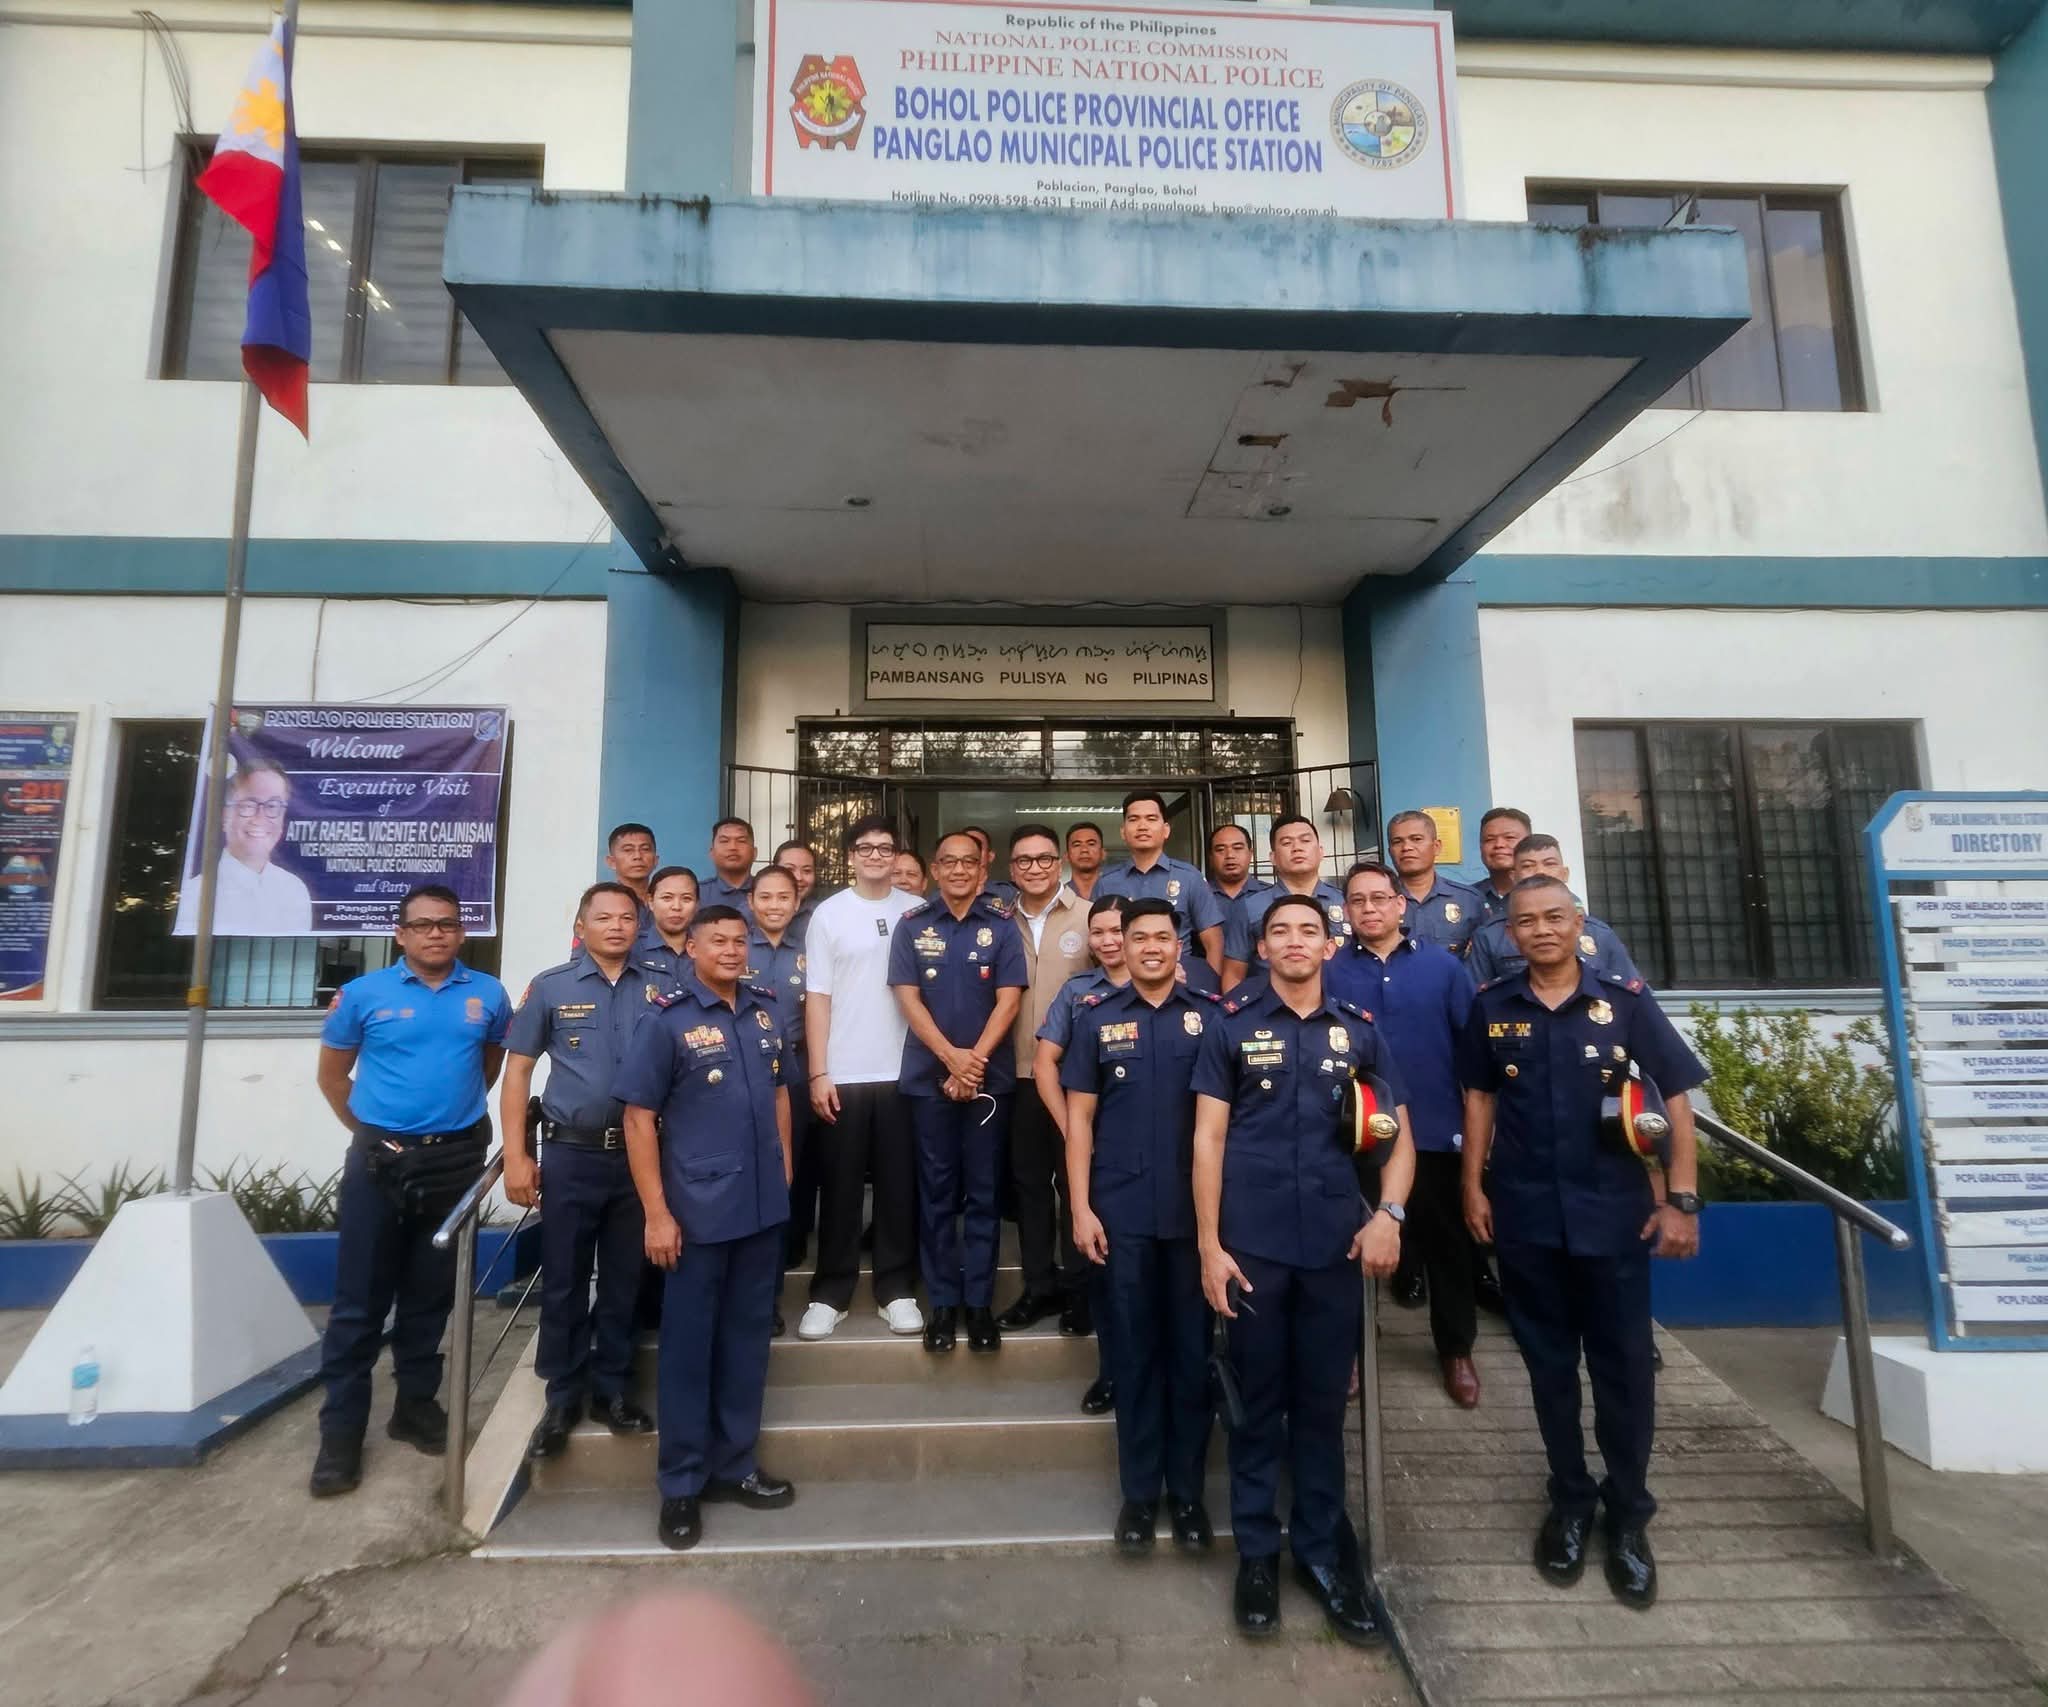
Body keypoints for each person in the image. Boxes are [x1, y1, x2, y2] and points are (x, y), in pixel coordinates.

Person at [1459, 873, 1705, 1609]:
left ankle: (1628, 1515)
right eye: (1524, 921)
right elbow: (1480, 1098)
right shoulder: (1491, 1008)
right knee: (1549, 1368)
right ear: (1507, 932)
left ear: (1578, 922)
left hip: (1614, 1215)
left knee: (1625, 1370)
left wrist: (1683, 1197)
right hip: (1528, 1216)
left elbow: (1678, 1096)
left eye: (1553, 917)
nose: (1539, 930)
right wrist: (1473, 1184)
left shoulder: (1625, 1003)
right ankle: (1570, 1499)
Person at [1193, 894, 1415, 1643]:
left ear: (1330, 945)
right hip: (1250, 1250)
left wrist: (1389, 1214)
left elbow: (1397, 1139)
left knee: (1321, 1410)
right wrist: (1208, 1245)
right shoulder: (1229, 1025)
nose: (1294, 940)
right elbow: (1208, 1142)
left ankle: (1320, 1554)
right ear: (1262, 946)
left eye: (1308, 930)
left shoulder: (1361, 1033)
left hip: (1333, 1249)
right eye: (1280, 930)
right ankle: (1257, 1553)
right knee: (1256, 1408)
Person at [309, 883, 511, 1498]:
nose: (435, 934)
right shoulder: (362, 995)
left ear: (461, 931)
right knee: (358, 1305)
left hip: (454, 1162)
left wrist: (438, 1129)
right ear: (400, 934)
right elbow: (333, 1076)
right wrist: (377, 1135)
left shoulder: (487, 994)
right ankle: (340, 1437)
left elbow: (490, 1066)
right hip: (379, 1166)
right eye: (422, 925)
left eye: (447, 924)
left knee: (431, 1297)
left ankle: (415, 1406)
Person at [617, 905, 795, 1551]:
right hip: (694, 1215)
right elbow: (639, 1118)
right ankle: (682, 1485)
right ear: (689, 946)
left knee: (748, 1345)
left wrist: (785, 1172)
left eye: (737, 939)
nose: (729, 948)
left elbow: (780, 1094)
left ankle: (736, 1466)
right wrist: (657, 1214)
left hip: (759, 1209)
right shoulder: (666, 1021)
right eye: (715, 939)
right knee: (690, 1354)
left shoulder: (766, 1010)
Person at [1062, 897, 1219, 1555]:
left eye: (1162, 935)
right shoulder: (1096, 1019)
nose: (1150, 946)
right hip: (1120, 1214)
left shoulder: (1213, 1020)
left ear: (1179, 944)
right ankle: (1139, 1495)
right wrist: (1079, 1206)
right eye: (1138, 937)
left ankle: (1187, 1494)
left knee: (1190, 1357)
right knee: (1133, 1355)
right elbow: (1079, 1121)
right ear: (1118, 946)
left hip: (1191, 1222)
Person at [500, 882, 662, 1458]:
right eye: (604, 917)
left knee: (625, 1277)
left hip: (641, 1158)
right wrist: (517, 1155)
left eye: (627, 917)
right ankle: (562, 1394)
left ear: (639, 926)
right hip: (570, 1154)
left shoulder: (663, 989)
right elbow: (517, 1072)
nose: (616, 926)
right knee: (565, 1277)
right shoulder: (550, 987)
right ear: (581, 924)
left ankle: (612, 1389)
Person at [1327, 862, 1481, 1408]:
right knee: (1344, 1251)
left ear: (1400, 905)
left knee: (1446, 1247)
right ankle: (1346, 1354)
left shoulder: (1443, 968)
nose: (1369, 909)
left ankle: (1456, 1350)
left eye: (1378, 899)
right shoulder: (1327, 970)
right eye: (1357, 901)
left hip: (1436, 1130)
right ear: (1345, 913)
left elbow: (1473, 1054)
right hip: (1349, 1134)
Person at [889, 830, 1027, 1354]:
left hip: (987, 1083)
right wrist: (951, 1059)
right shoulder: (912, 926)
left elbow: (1009, 1001)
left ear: (982, 866)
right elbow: (908, 999)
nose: (959, 870)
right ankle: (943, 1305)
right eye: (948, 862)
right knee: (938, 1195)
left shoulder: (1002, 927)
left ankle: (979, 1305)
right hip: (930, 1082)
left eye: (969, 862)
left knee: (985, 1194)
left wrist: (972, 1066)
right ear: (934, 867)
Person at [802, 818, 925, 1340]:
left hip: (905, 1069)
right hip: (845, 1072)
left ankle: (895, 1289)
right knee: (842, 1186)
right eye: (865, 848)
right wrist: (819, 1070)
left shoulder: (916, 911)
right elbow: (818, 998)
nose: (876, 855)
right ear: (849, 855)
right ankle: (831, 1292)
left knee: (901, 1186)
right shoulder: (828, 915)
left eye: (885, 848)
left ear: (896, 856)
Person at [1034, 894, 1132, 1414]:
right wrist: (1070, 1126)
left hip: (1161, 1148)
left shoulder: (1179, 988)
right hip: (1097, 1146)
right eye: (1099, 932)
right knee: (1106, 1266)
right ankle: (1113, 1371)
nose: (1109, 941)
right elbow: (1045, 1060)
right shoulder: (1078, 992)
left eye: (1119, 930)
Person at [997, 825, 1092, 1334]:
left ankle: (1080, 1290)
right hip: (1014, 1073)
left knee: (1075, 1181)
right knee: (1029, 1185)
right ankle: (1038, 1286)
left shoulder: (1090, 916)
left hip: (1075, 1077)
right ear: (1012, 870)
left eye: (1043, 859)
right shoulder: (997, 922)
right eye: (1023, 860)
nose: (1034, 867)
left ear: (1058, 863)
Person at [743, 865, 812, 1338]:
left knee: (786, 1179)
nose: (773, 905)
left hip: (794, 1079)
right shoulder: (731, 942)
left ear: (797, 901)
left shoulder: (811, 948)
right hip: (732, 1082)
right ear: (751, 901)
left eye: (782, 896)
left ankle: (769, 1295)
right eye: (764, 896)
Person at [1466, 835, 1643, 987]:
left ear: (1565, 873)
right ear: (1514, 876)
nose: (1540, 872)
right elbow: (1475, 1000)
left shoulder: (1599, 933)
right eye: (1528, 866)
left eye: (1549, 864)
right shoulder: (1489, 935)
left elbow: (1630, 994)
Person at [175, 755, 314, 935]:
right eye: (248, 805)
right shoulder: (196, 895)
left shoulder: (296, 892)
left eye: (272, 806)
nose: (260, 818)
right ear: (225, 817)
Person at [1097, 791, 1225, 975]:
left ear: (1166, 830)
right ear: (1123, 832)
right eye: (1134, 819)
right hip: (1122, 988)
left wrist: (1207, 990)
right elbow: (1097, 942)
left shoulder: (1189, 877)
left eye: (1151, 819)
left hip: (1179, 985)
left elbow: (1214, 942)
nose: (1142, 826)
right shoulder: (1106, 883)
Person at [1219, 816, 1348, 992]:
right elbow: (1233, 973)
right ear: (1273, 857)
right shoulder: (1250, 907)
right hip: (1269, 1012)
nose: (1297, 848)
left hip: (1339, 1010)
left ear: (1320, 851)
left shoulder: (1345, 902)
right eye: (1287, 843)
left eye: (1305, 840)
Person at [1386, 810, 1481, 955]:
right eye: (1397, 842)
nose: (1407, 847)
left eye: (1416, 839)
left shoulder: (1470, 900)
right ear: (1390, 851)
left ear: (1436, 847)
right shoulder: (1380, 901)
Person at [636, 865, 699, 985]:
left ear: (697, 904)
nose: (676, 907)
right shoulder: (632, 948)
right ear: (651, 901)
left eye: (686, 899)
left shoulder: (706, 949)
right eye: (667, 898)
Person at [1474, 807, 1532, 927]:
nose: (1499, 845)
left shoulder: (1552, 897)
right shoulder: (1467, 898)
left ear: (1529, 844)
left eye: (1509, 838)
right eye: (1490, 839)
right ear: (1481, 848)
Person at [1207, 822, 1266, 913]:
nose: (1230, 855)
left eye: (1237, 848)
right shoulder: (1199, 895)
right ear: (1211, 857)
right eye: (1220, 850)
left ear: (1250, 854)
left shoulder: (1270, 895)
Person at [704, 817, 757, 917]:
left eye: (741, 841)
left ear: (754, 853)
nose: (733, 847)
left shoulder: (769, 893)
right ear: (712, 853)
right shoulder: (697, 894)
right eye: (724, 841)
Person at [604, 823, 660, 918]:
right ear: (611, 862)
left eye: (645, 849)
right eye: (628, 850)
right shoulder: (602, 901)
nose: (637, 856)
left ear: (655, 860)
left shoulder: (666, 901)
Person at [959, 823, 1019, 906]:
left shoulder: (1008, 893)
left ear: (990, 856)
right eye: (965, 847)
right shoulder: (942, 894)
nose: (972, 852)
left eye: (979, 847)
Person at [772, 840, 821, 938]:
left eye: (807, 871)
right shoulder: (751, 912)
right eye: (790, 869)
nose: (798, 877)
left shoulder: (822, 914)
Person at [1064, 821, 1107, 902]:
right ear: (1067, 856)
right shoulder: (1058, 897)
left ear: (1103, 853)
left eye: (1091, 844)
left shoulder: (1116, 892)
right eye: (1077, 845)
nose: (1084, 850)